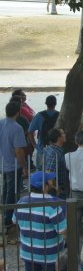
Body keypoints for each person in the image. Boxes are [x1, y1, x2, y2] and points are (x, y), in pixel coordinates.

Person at [13, 172, 67, 271]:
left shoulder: (21, 202)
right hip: (50, 256)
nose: (52, 183)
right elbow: (63, 231)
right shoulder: (53, 205)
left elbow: (14, 221)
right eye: (49, 181)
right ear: (44, 186)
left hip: (28, 253)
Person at [1, 101, 29, 238]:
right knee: (13, 192)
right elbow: (19, 151)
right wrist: (24, 166)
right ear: (18, 112)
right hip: (13, 165)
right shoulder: (17, 128)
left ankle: (5, 214)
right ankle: (9, 220)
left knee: (6, 190)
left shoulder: (1, 123)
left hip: (3, 163)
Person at [28, 94, 59, 169]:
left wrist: (35, 145)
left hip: (42, 147)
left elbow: (30, 131)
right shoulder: (59, 115)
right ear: (55, 103)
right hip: (56, 148)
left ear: (46, 103)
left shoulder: (39, 115)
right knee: (54, 171)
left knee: (41, 171)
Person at [42, 128, 68, 198]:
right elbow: (49, 173)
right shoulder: (55, 153)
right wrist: (57, 189)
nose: (65, 135)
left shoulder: (50, 149)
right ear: (58, 138)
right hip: (56, 191)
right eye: (63, 133)